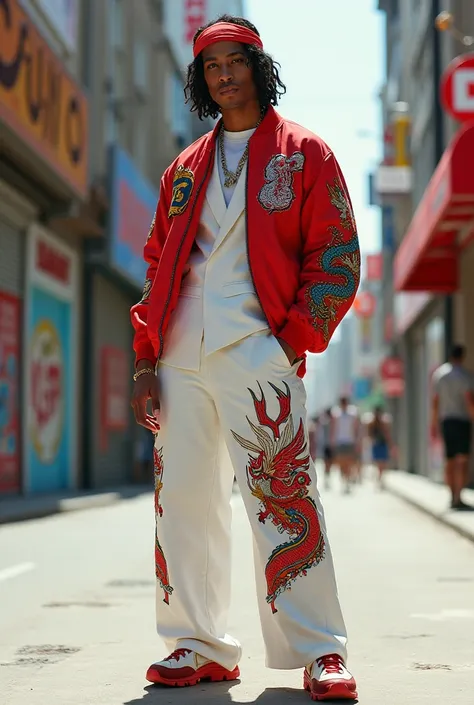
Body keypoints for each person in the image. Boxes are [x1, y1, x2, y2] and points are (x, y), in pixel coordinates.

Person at [130, 15, 360, 702]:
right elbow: (156, 262)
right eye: (210, 66)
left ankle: (321, 650)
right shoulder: (184, 168)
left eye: (235, 61)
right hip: (180, 355)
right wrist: (147, 357)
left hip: (261, 350)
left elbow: (338, 258)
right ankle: (198, 643)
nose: (224, 74)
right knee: (184, 505)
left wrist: (291, 341)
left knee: (285, 501)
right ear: (200, 80)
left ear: (259, 66)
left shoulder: (306, 154)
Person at [431, 344, 474, 510]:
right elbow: (469, 400)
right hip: (462, 421)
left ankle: (452, 496)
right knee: (462, 460)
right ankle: (459, 496)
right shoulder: (465, 376)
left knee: (449, 460)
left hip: (447, 421)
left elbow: (435, 402)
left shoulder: (439, 375)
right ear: (462, 357)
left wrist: (433, 424)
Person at [330, 398, 360, 494]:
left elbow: (356, 428)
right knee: (341, 463)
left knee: (349, 462)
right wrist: (332, 441)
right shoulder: (336, 413)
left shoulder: (352, 413)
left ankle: (347, 480)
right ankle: (344, 480)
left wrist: (357, 441)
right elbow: (333, 428)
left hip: (350, 441)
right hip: (339, 441)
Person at [367, 405, 392, 489]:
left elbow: (387, 434)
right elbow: (369, 434)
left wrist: (390, 444)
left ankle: (380, 478)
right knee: (379, 463)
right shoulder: (372, 423)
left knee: (383, 463)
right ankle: (379, 478)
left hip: (382, 444)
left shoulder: (384, 422)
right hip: (377, 444)